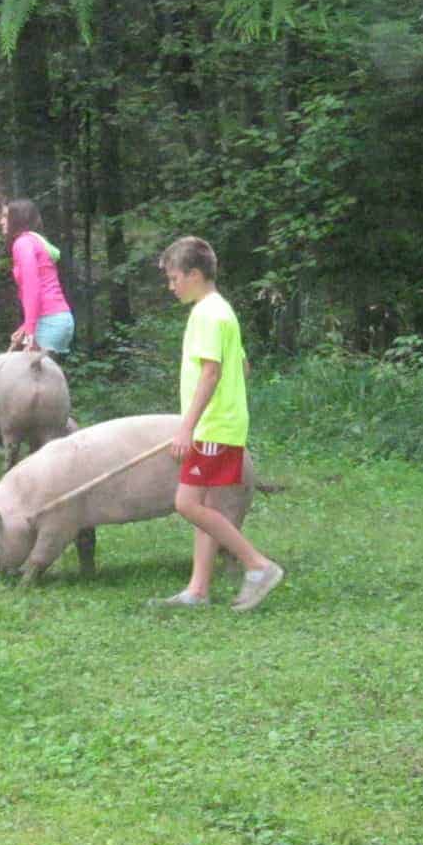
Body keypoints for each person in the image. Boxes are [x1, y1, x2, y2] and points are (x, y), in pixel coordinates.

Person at [152, 236, 284, 612]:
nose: (171, 286)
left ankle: (258, 566)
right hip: (223, 424)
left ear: (194, 274)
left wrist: (186, 427)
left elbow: (210, 373)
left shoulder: (208, 314)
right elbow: (241, 365)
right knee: (205, 504)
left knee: (187, 503)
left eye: (174, 278)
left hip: (212, 428)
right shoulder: (222, 310)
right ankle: (198, 590)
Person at [1, 198, 75, 354]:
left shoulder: (23, 243)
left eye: (5, 216)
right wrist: (25, 328)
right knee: (40, 377)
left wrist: (29, 334)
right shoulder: (34, 240)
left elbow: (32, 288)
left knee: (28, 377)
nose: (1, 221)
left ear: (17, 219)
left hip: (49, 321)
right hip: (55, 319)